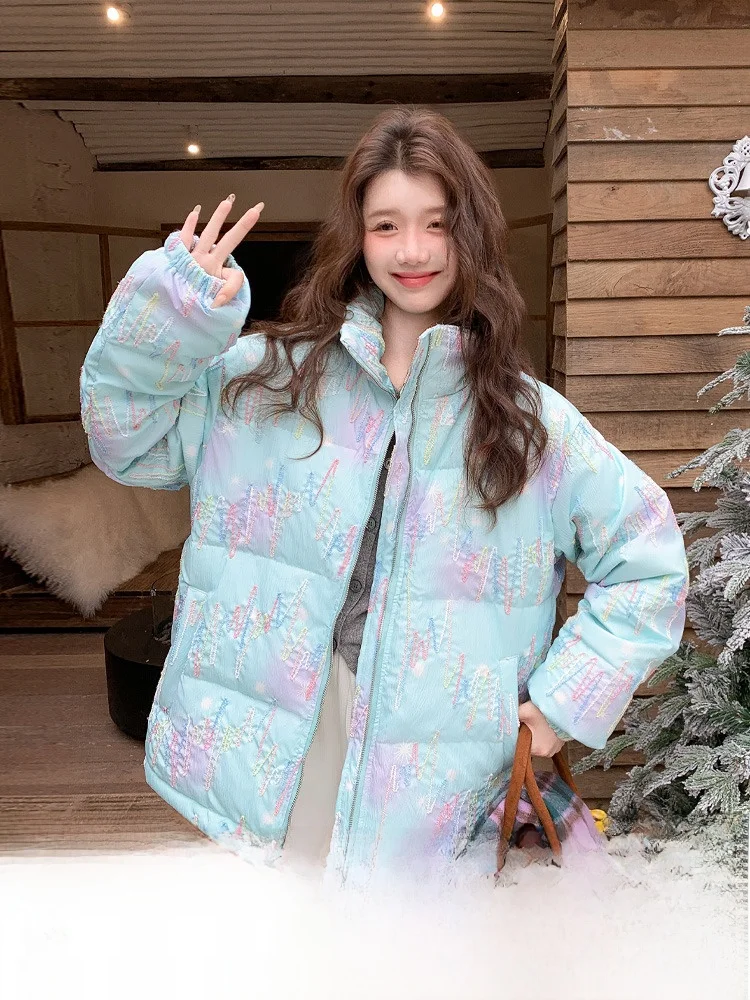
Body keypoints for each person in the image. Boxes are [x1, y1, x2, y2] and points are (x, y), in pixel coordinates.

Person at [80, 106, 689, 887]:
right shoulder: (268, 379)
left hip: (437, 771)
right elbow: (127, 443)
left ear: (471, 235)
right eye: (386, 225)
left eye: (438, 224)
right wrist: (172, 315)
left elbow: (648, 564)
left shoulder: (532, 425)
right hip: (288, 739)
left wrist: (560, 706)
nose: (413, 251)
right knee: (291, 933)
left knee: (407, 944)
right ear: (357, 238)